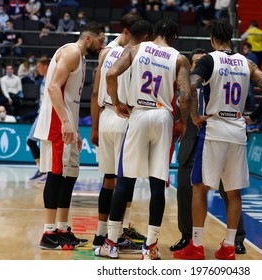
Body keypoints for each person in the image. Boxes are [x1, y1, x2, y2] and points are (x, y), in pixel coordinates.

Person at [173, 19, 262, 260]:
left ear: (212, 39)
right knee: (234, 191)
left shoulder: (210, 60)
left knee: (199, 187)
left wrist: (194, 116)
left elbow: (188, 90)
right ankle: (229, 246)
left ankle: (196, 246)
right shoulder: (247, 62)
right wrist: (255, 117)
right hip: (238, 130)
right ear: (232, 38)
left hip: (214, 129)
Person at [95, 18, 192, 260]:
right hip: (162, 116)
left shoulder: (136, 49)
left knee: (125, 180)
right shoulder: (179, 58)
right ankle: (150, 247)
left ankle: (111, 244)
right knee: (157, 183)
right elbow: (186, 96)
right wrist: (181, 122)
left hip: (138, 114)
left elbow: (111, 74)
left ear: (154, 33)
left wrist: (116, 102)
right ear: (174, 38)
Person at [33, 22, 105, 250]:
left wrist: (74, 128)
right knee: (56, 176)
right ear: (87, 38)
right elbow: (53, 88)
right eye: (100, 40)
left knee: (70, 175)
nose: (101, 44)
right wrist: (65, 122)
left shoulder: (80, 56)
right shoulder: (72, 52)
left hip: (67, 123)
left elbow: (70, 98)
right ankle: (48, 233)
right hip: (57, 122)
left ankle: (62, 229)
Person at [170, 48, 247, 255]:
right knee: (186, 191)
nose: (197, 66)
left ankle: (236, 239)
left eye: (200, 62)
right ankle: (188, 237)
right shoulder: (187, 86)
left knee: (229, 189)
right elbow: (179, 110)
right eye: (194, 63)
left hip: (214, 136)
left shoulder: (218, 79)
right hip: (191, 141)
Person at [91, 20, 153, 253]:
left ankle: (100, 233)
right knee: (126, 180)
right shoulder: (138, 55)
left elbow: (96, 91)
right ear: (145, 36)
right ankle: (119, 232)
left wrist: (95, 126)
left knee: (108, 179)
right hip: (125, 115)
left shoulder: (106, 53)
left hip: (106, 116)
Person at [27, 57, 50, 185]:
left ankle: (45, 171)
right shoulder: (44, 79)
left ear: (45, 66)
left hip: (46, 115)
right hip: (41, 114)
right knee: (32, 141)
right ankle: (42, 169)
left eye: (39, 66)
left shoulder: (51, 77)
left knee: (36, 142)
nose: (37, 69)